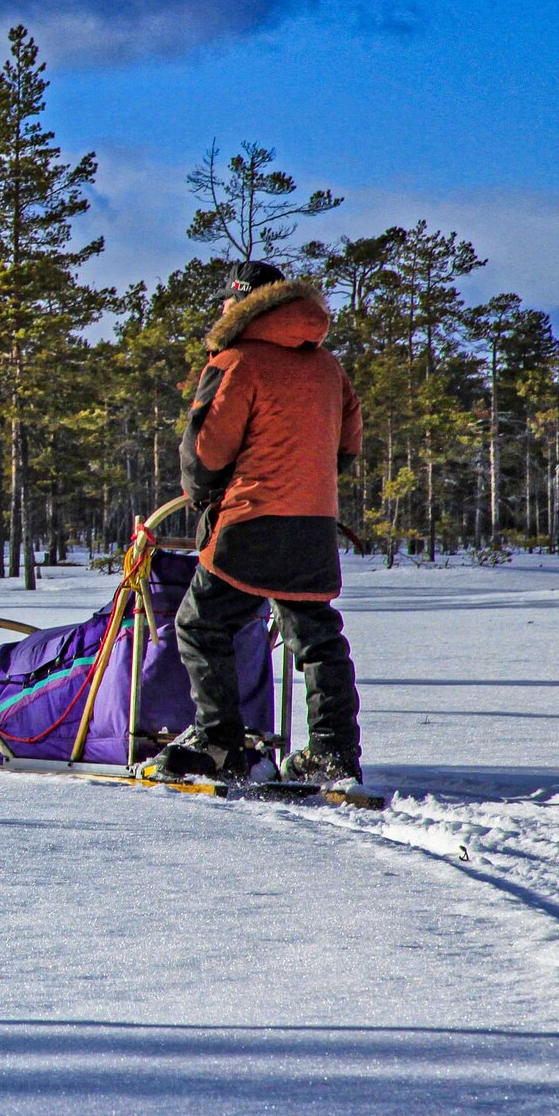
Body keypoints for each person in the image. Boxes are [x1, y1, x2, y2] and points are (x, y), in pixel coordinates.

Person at [150, 260, 364, 783]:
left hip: (250, 521)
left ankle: (220, 744)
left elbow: (206, 449)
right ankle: (334, 752)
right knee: (316, 638)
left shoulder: (236, 361)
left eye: (231, 299)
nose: (224, 307)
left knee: (200, 625)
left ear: (248, 303)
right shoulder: (328, 366)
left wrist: (202, 496)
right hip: (313, 524)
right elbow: (348, 443)